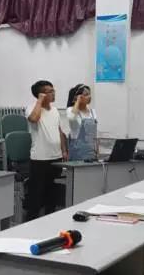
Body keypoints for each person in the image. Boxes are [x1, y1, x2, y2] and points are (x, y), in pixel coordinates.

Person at [25, 80, 68, 220]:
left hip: (56, 157)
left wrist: (64, 151)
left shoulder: (55, 110)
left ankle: (49, 220)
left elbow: (60, 131)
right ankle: (31, 222)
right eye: (50, 91)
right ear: (41, 94)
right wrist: (39, 101)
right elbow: (33, 119)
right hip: (40, 159)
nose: (54, 93)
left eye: (53, 90)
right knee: (36, 196)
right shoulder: (32, 108)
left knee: (52, 195)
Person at [66, 84, 98, 161]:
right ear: (78, 97)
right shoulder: (71, 110)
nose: (89, 97)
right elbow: (71, 118)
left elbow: (95, 133)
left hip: (91, 150)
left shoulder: (92, 111)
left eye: (89, 94)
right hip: (77, 150)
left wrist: (96, 147)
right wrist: (77, 101)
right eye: (86, 95)